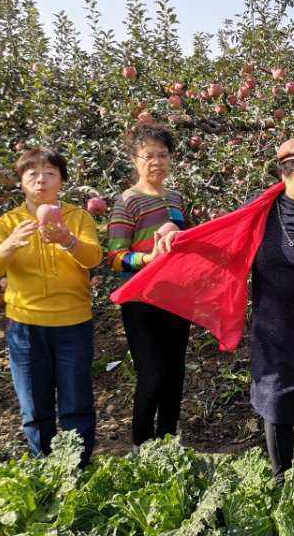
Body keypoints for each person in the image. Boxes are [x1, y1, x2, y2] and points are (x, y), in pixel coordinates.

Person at [111, 136, 294, 483]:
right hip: (272, 322)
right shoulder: (259, 211)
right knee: (274, 397)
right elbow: (222, 242)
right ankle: (280, 473)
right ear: (283, 173)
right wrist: (181, 242)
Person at [0, 147, 103, 467]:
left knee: (76, 401)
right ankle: (43, 466)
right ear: (21, 182)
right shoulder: (8, 223)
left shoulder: (78, 218)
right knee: (34, 405)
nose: (41, 180)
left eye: (49, 173)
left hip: (73, 323)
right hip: (25, 324)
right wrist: (9, 246)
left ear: (61, 180)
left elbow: (93, 258)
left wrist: (67, 240)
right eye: (32, 173)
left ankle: (77, 467)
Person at [107, 124, 192, 452]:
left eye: (163, 155)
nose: (157, 161)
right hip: (141, 300)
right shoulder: (127, 202)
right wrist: (148, 258)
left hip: (175, 297)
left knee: (174, 377)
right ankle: (141, 445)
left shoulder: (175, 199)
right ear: (135, 160)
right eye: (149, 156)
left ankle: (169, 444)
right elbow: (115, 258)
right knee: (152, 375)